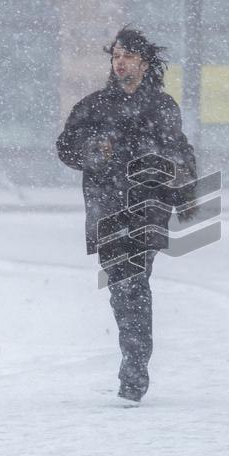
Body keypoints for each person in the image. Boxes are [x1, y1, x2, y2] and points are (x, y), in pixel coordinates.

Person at [56, 27, 196, 402]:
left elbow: (178, 150)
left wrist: (186, 191)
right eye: (115, 55)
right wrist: (91, 150)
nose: (120, 62)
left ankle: (134, 366)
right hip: (107, 207)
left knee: (134, 282)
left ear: (144, 63)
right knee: (121, 288)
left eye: (128, 56)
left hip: (148, 208)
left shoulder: (162, 107)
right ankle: (133, 357)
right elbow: (65, 147)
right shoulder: (93, 106)